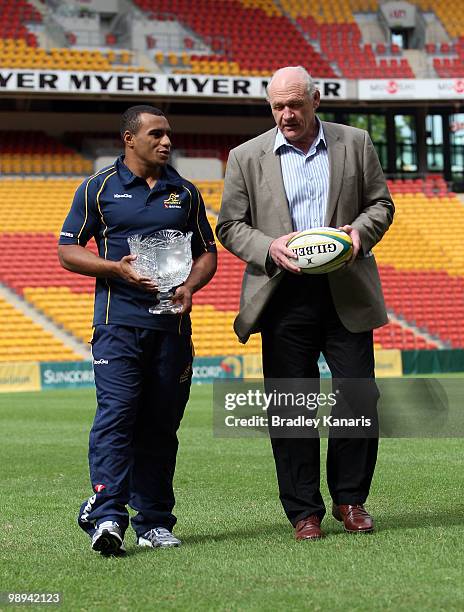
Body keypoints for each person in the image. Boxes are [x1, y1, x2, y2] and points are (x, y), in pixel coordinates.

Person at [216, 66, 394, 540]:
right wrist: (269, 247)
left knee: (358, 396)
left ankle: (350, 499)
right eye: (278, 107)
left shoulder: (354, 142)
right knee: (290, 406)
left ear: (315, 99)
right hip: (281, 295)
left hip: (345, 289)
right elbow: (230, 225)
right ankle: (303, 511)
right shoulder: (245, 156)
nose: (287, 115)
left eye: (295, 104)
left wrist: (360, 232)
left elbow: (381, 204)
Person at [58, 105, 217, 555]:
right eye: (156, 134)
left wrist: (189, 285)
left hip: (172, 328)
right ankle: (108, 516)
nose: (166, 142)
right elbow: (67, 250)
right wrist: (116, 269)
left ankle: (154, 522)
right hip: (118, 326)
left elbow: (208, 253)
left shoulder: (184, 193)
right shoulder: (98, 189)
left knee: (161, 427)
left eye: (169, 135)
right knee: (117, 417)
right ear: (129, 138)